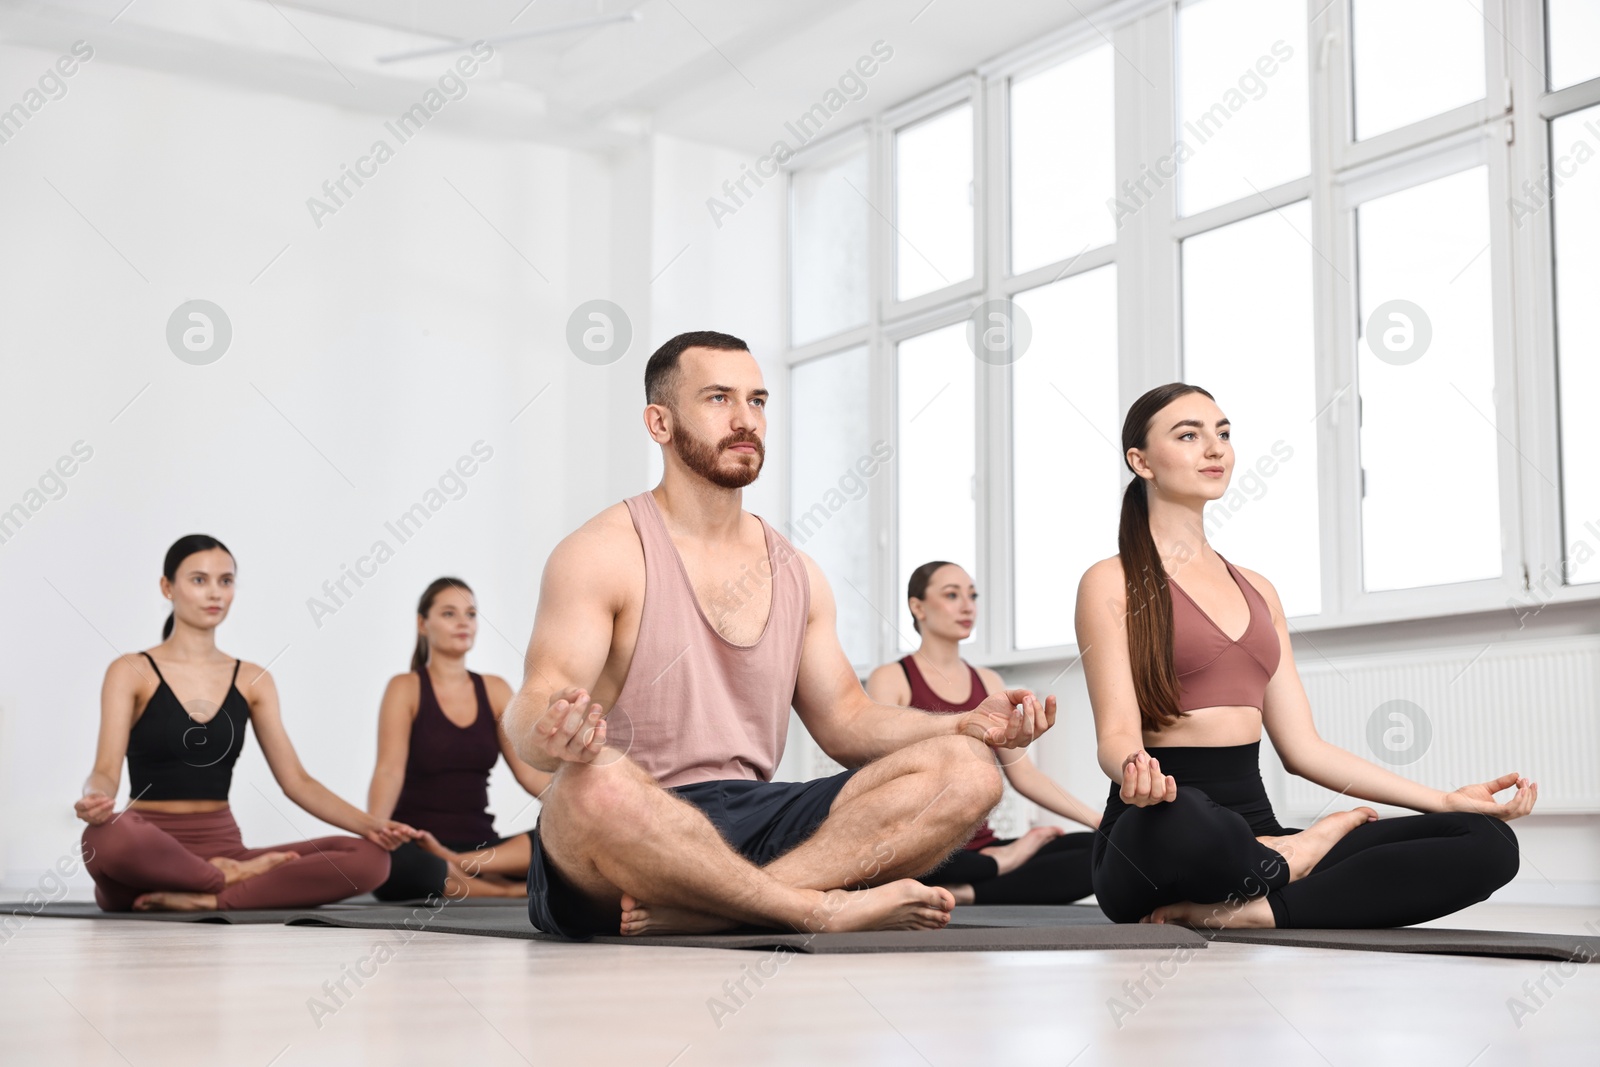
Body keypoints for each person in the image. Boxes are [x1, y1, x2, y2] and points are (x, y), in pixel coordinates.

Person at [501, 330, 1056, 940]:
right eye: (718, 398)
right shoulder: (601, 553)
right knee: (591, 784)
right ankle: (810, 908)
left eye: (758, 401)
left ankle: (723, 908)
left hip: (754, 823)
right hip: (634, 827)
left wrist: (965, 724)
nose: (745, 420)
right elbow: (536, 704)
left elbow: (846, 721)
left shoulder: (798, 572)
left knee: (970, 769)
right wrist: (551, 733)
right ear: (659, 423)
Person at [1075, 383, 1535, 929]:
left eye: (1223, 433)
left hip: (1254, 834)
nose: (1215, 448)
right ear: (1141, 461)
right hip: (1156, 828)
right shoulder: (1111, 581)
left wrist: (1443, 800)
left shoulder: (1258, 589)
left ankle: (1262, 909)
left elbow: (1304, 749)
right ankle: (1298, 855)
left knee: (1487, 841)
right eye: (1189, 435)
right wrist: (1135, 770)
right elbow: (1116, 736)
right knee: (1191, 823)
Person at [75, 535, 409, 911]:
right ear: (168, 587)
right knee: (104, 837)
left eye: (226, 581)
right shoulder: (130, 671)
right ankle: (223, 883)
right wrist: (94, 798)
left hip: (226, 849)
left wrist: (372, 826)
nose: (214, 593)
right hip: (150, 853)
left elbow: (296, 782)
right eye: (199, 580)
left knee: (370, 858)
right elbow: (104, 772)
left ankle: (208, 897)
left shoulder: (253, 680)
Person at [866, 560, 1099, 906]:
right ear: (918, 607)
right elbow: (879, 779)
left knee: (1100, 853)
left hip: (977, 847)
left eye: (972, 596)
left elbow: (1025, 776)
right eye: (951, 594)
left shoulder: (989, 683)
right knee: (903, 861)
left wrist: (1101, 821)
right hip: (921, 844)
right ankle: (997, 866)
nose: (967, 606)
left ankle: (971, 888)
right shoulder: (892, 679)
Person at [368, 577, 550, 901]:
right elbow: (388, 771)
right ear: (423, 624)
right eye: (449, 614)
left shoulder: (495, 690)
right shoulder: (405, 688)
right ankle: (507, 892)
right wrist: (373, 833)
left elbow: (528, 772)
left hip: (483, 851)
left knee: (559, 842)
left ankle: (459, 867)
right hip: (419, 846)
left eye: (471, 613)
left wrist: (577, 810)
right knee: (398, 866)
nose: (463, 622)